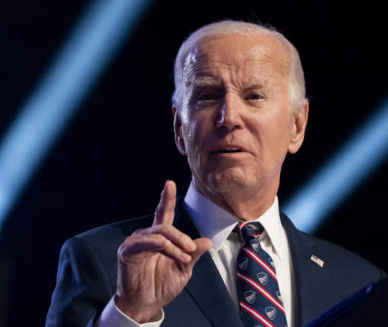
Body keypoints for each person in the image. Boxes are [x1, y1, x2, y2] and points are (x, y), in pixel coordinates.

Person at [45, 20, 385, 327]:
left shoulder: (359, 282)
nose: (228, 117)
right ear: (180, 128)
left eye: (254, 96)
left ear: (297, 125)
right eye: (207, 96)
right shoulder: (102, 260)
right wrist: (131, 315)